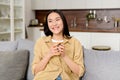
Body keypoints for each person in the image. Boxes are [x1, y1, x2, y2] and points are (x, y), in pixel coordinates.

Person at [32, 9, 85, 80]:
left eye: (57, 20)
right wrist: (49, 55)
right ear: (47, 25)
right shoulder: (41, 42)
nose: (54, 24)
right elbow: (35, 71)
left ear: (63, 21)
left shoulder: (75, 43)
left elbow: (79, 72)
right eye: (50, 21)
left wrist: (64, 56)